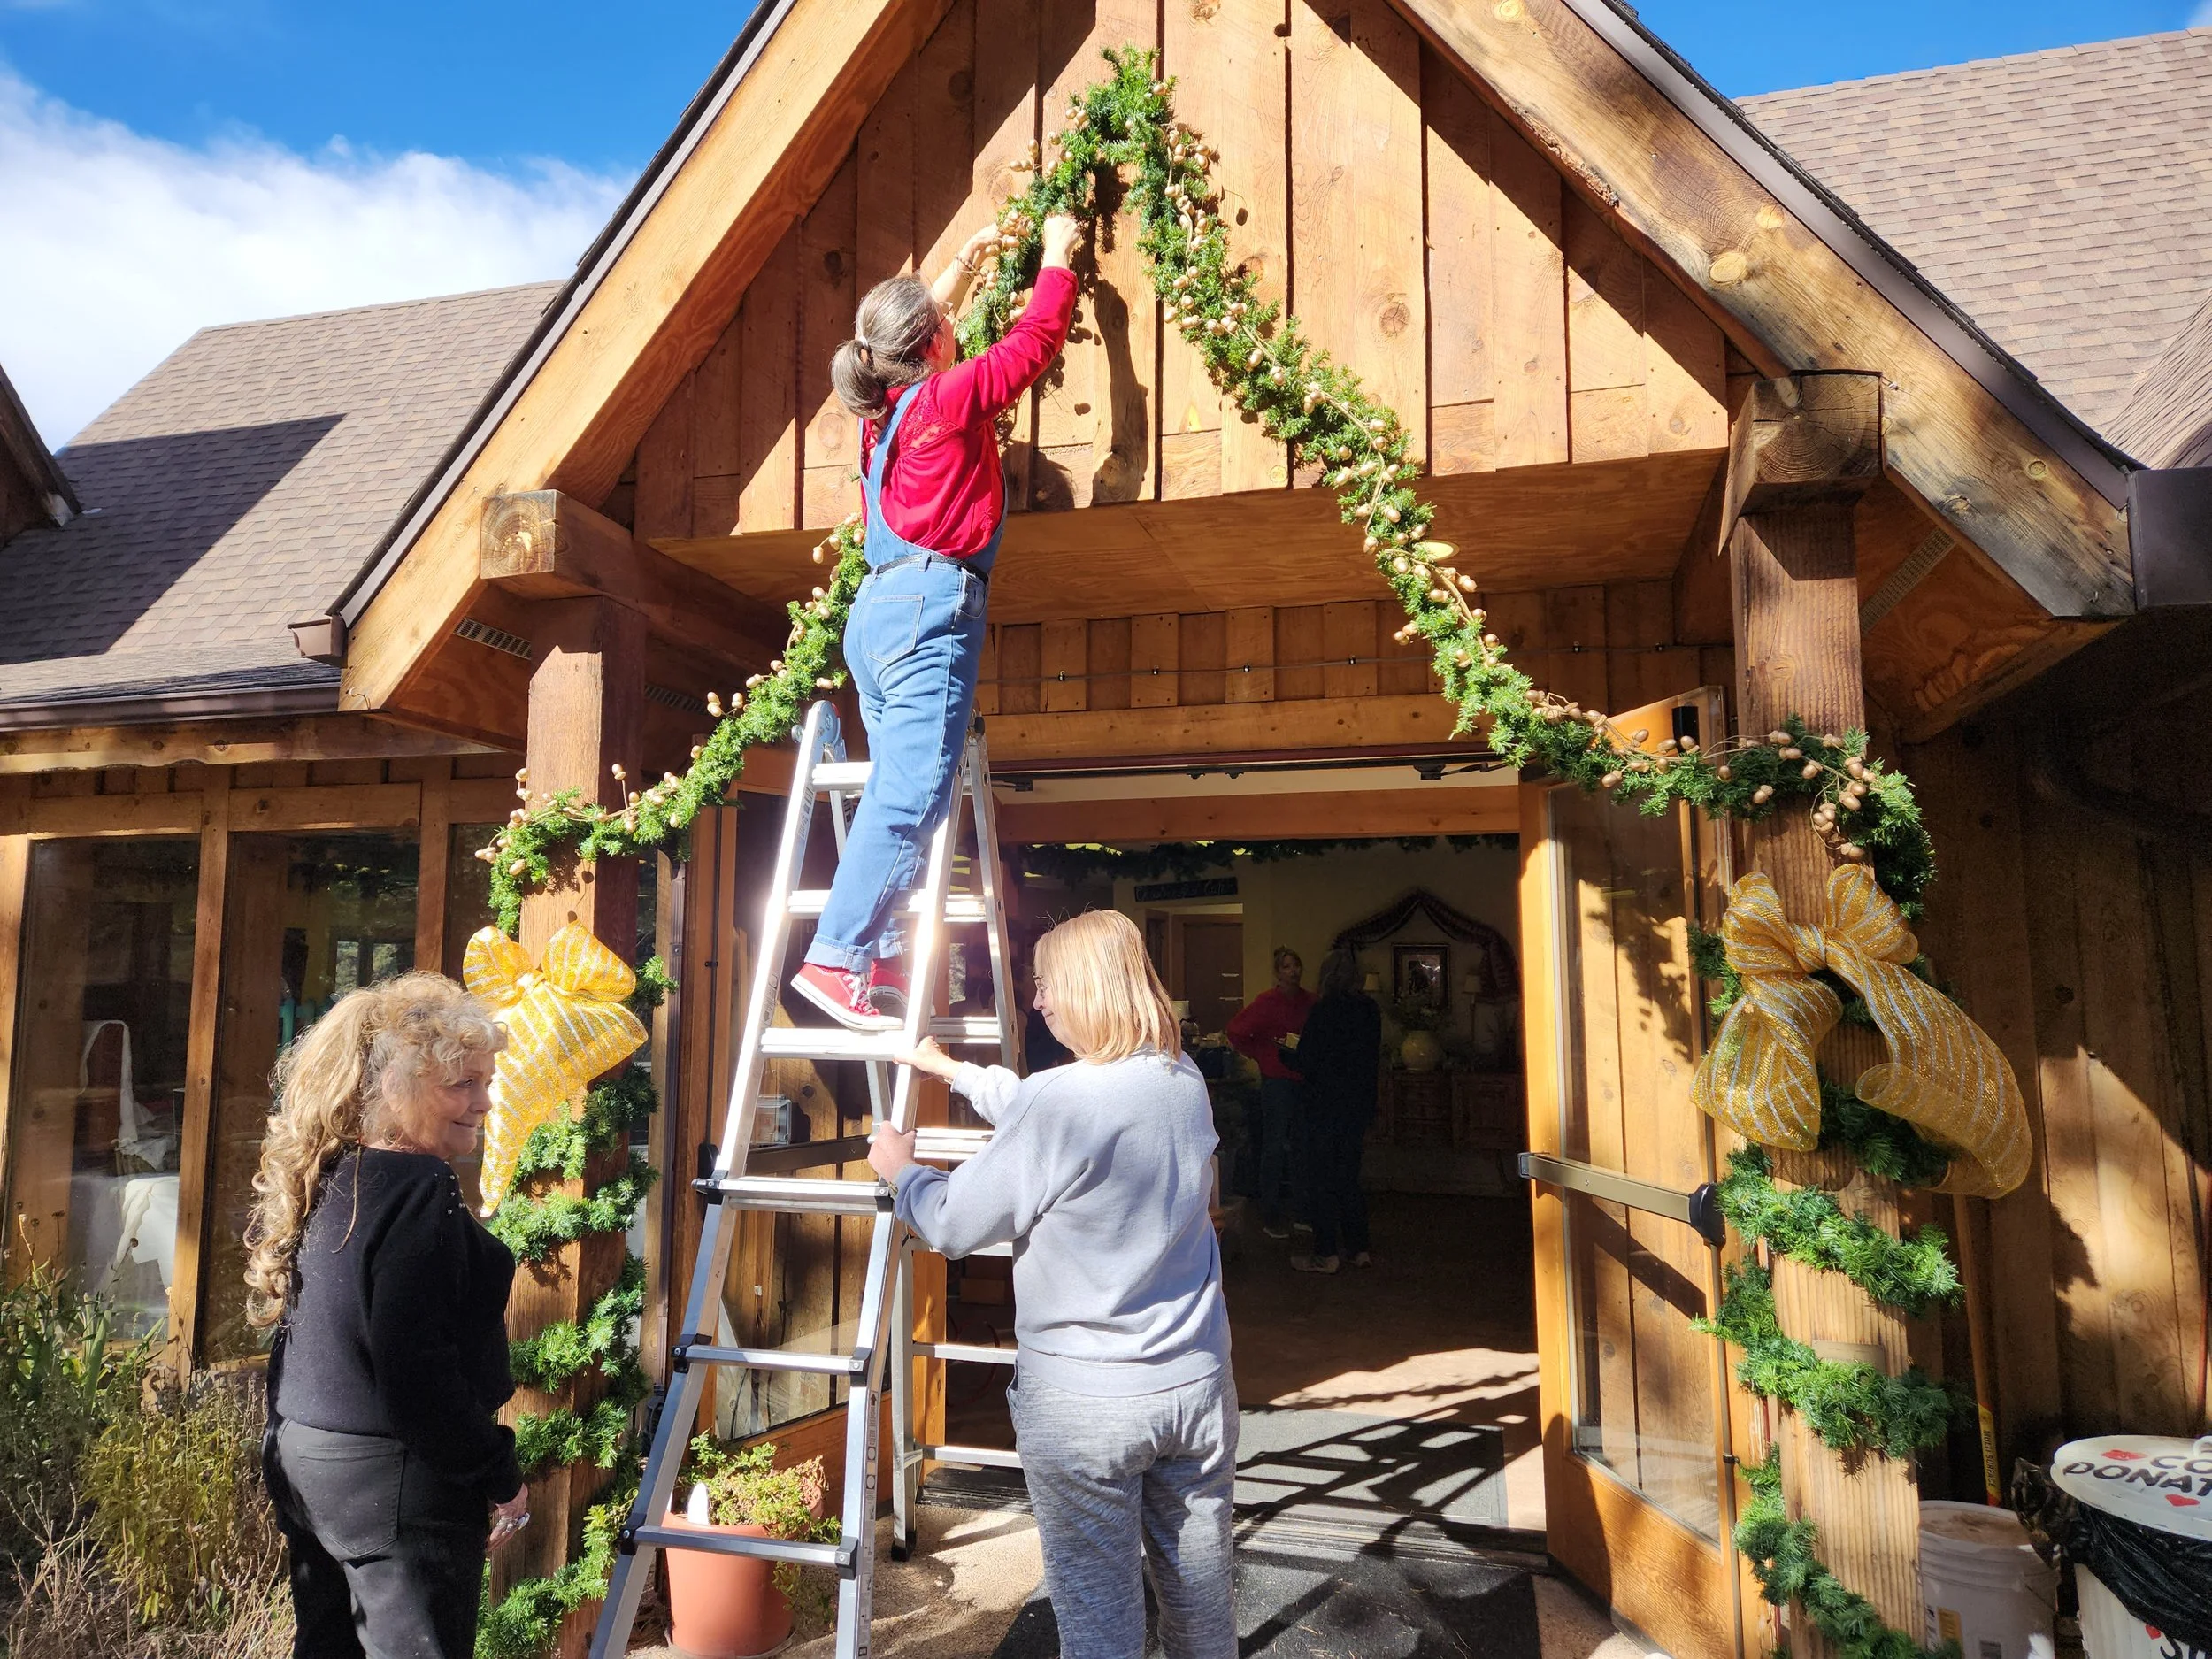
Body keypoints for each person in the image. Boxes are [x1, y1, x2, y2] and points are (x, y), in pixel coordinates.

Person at [869, 910, 1234, 1659]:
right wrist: (954, 1070)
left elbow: (953, 1223)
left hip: (1085, 1403)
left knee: (1101, 1620)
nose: (1037, 1002)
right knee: (1201, 1598)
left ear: (1090, 988)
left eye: (1047, 985)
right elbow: (1055, 1114)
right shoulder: (1182, 1078)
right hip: (1195, 1387)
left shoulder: (1057, 1102)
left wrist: (902, 1172)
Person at [792, 211, 1084, 1030]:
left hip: (877, 613)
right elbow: (1031, 345)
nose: (955, 323)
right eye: (945, 321)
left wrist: (960, 262)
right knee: (913, 792)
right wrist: (1056, 253)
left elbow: (903, 335)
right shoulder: (946, 399)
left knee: (899, 784)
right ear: (934, 344)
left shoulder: (881, 414)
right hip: (929, 605)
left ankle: (881, 951)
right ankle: (835, 958)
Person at [242, 973, 529, 1659]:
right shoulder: (419, 1185)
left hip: (307, 1461)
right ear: (396, 1085)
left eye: (487, 1082)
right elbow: (415, 1373)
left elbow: (309, 1341)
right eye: (462, 1083)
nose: (484, 1102)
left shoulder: (329, 1170)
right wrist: (499, 1474)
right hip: (393, 1482)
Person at [1281, 949, 1382, 1274]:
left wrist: (1283, 1054)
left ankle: (1326, 1253)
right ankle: (1358, 1248)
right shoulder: (1370, 1010)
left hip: (1323, 1106)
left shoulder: (1323, 1011)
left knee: (1321, 1179)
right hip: (1357, 1104)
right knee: (1349, 1178)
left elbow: (1306, 1061)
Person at [1224, 947, 1317, 1239]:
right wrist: (1262, 1055)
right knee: (1274, 1146)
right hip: (1277, 1081)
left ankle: (1302, 1211)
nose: (1293, 971)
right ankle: (1270, 1213)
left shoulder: (1311, 1002)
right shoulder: (1267, 1002)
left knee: (1303, 1146)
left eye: (1296, 965)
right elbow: (1236, 1031)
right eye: (1286, 967)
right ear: (1278, 972)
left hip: (1304, 1080)